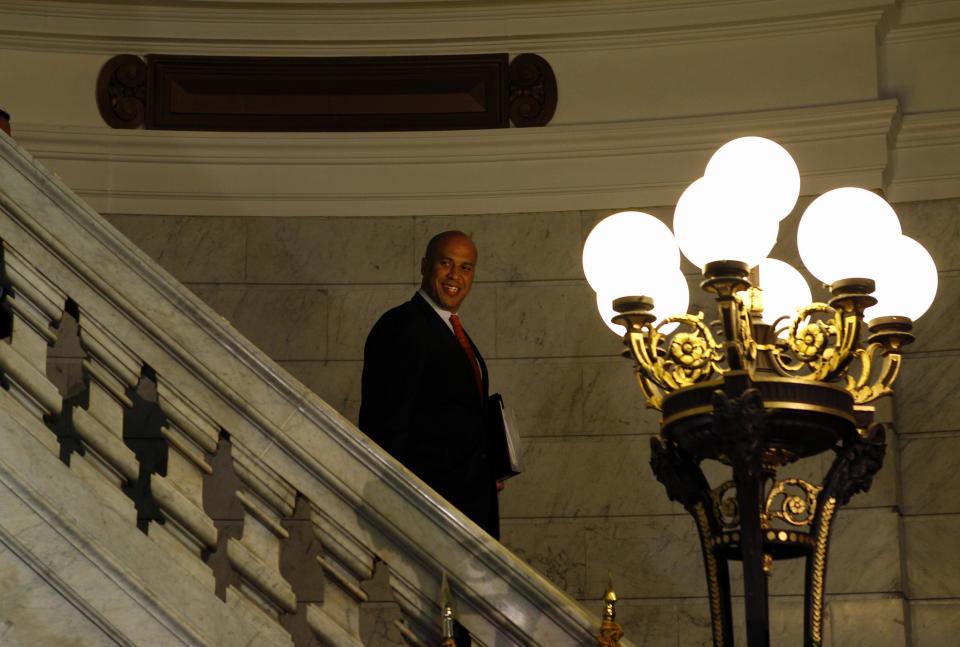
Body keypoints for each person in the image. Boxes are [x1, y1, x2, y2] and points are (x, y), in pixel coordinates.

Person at [359, 230, 500, 540]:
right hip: (429, 514)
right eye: (446, 263)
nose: (455, 276)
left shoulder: (448, 328)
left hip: (467, 510)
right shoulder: (403, 326)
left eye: (466, 267)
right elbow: (386, 428)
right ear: (425, 266)